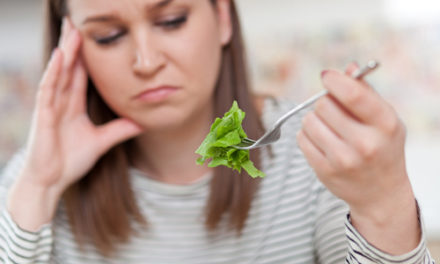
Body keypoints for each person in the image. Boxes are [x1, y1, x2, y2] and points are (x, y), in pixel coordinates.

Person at [0, 0, 435, 263]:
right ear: (71, 49)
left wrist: (385, 206)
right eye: (109, 36)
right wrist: (38, 187)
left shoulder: (317, 152)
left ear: (223, 16)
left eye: (171, 20)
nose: (146, 61)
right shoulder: (36, 177)